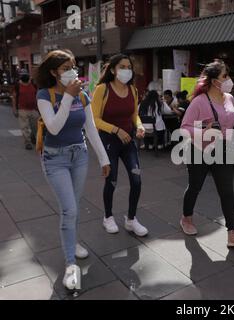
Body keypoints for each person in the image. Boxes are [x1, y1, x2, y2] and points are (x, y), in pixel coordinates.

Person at [35, 50, 111, 290]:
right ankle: (70, 266)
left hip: (79, 155)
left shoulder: (83, 95)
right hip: (55, 159)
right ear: (53, 72)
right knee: (69, 210)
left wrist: (104, 159)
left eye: (73, 66)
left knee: (75, 208)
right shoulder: (44, 95)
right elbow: (54, 128)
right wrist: (68, 96)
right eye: (66, 67)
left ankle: (73, 241)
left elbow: (90, 129)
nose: (72, 72)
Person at [180, 60, 234, 247]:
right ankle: (186, 218)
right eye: (225, 76)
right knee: (195, 187)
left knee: (227, 191)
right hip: (199, 150)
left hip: (222, 150)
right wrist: (204, 132)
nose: (229, 79)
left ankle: (233, 233)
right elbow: (184, 128)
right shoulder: (199, 101)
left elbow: (230, 124)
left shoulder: (229, 98)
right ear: (214, 81)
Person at [91, 53, 148, 237]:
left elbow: (134, 115)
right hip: (109, 142)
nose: (126, 70)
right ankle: (108, 217)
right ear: (114, 69)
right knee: (112, 181)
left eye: (129, 67)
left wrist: (139, 126)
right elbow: (94, 120)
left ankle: (131, 219)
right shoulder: (102, 89)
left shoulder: (133, 90)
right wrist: (116, 130)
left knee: (137, 180)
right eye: (122, 67)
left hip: (128, 142)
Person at [12, 70, 39, 150]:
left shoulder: (34, 84)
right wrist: (14, 109)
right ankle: (27, 142)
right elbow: (14, 98)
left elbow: (37, 95)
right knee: (24, 127)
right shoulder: (17, 86)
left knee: (36, 126)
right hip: (22, 109)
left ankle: (34, 137)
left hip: (34, 109)